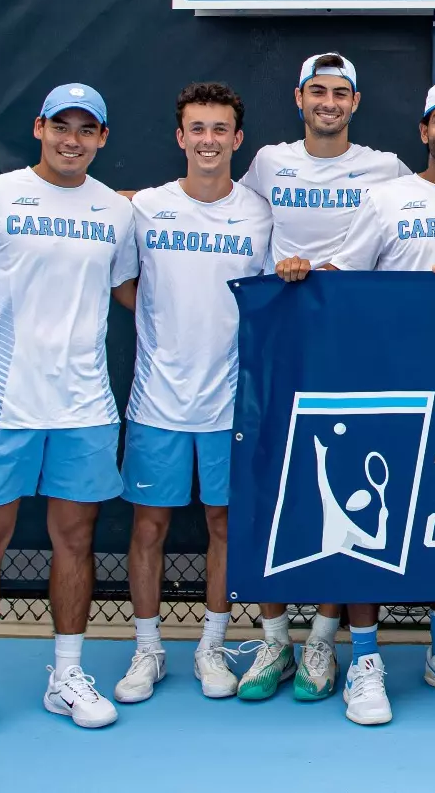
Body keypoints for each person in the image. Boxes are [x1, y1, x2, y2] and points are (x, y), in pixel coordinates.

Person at [0, 83, 139, 750]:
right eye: (62, 126)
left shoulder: (116, 211)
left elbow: (133, 292)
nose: (73, 139)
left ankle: (67, 675)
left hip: (84, 409)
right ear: (40, 128)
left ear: (103, 138)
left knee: (75, 540)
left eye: (88, 129)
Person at [322, 79, 435, 721]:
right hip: (386, 385)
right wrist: (297, 275)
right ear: (423, 132)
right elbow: (340, 281)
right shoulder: (385, 199)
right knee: (371, 519)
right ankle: (366, 659)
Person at [235, 53, 411, 708]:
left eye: (341, 92)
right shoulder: (269, 162)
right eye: (318, 90)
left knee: (346, 491)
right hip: (282, 350)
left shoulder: (387, 169)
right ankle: (276, 637)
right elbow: (217, 201)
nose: (329, 101)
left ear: (356, 103)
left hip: (358, 352)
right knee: (275, 491)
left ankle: (324, 634)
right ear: (299, 96)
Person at [110, 83, 276, 707]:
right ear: (180, 138)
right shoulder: (145, 208)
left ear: (238, 139)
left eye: (220, 129)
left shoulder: (260, 213)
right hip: (157, 401)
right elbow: (125, 285)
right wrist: (161, 321)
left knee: (224, 523)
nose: (209, 140)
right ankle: (148, 647)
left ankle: (211, 644)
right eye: (197, 129)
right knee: (149, 525)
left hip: (231, 401)